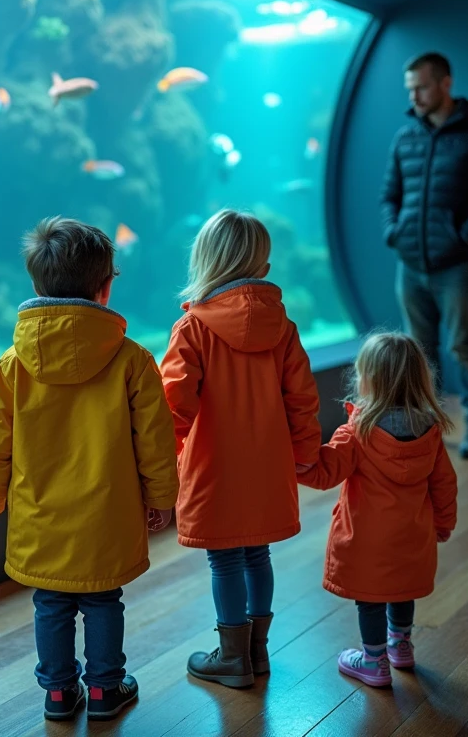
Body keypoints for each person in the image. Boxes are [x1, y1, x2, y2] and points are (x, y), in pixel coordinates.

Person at [0, 216, 179, 722]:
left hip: (41, 516)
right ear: (105, 288)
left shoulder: (11, 365)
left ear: (36, 284)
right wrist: (161, 497)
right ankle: (106, 689)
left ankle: (59, 694)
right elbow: (154, 439)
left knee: (52, 602)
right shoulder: (133, 360)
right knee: (105, 599)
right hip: (107, 514)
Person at [161, 209, 322, 689]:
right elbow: (303, 399)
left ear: (205, 262)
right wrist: (305, 452)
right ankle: (257, 651)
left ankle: (232, 659)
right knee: (258, 555)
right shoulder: (284, 328)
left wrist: (157, 468)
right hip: (269, 467)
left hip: (215, 470)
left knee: (225, 559)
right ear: (264, 266)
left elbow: (174, 406)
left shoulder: (192, 329)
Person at [297, 332, 457, 689]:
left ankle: (373, 662)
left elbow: (325, 473)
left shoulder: (357, 431)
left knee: (369, 600)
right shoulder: (430, 432)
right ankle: (401, 645)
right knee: (402, 589)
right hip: (413, 537)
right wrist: (443, 524)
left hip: (366, 542)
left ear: (367, 378)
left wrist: (292, 462)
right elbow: (444, 484)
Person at [379, 52, 468, 459]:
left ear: (445, 84)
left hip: (456, 265)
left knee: (461, 346)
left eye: (420, 86)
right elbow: (390, 195)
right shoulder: (404, 138)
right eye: (410, 88)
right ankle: (424, 428)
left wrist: (462, 239)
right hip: (410, 264)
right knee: (418, 352)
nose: (414, 95)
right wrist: (393, 233)